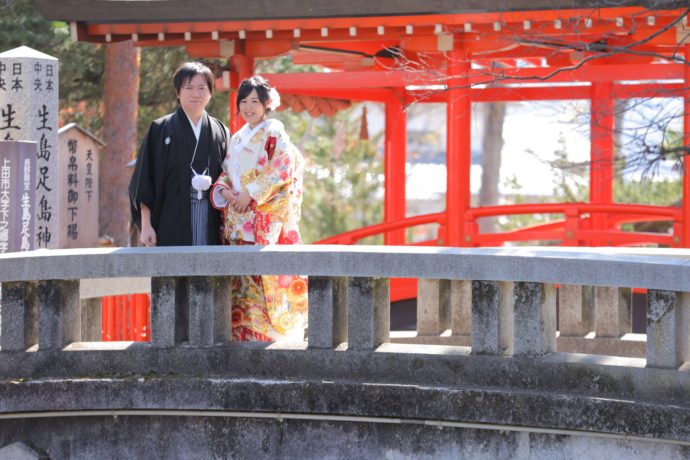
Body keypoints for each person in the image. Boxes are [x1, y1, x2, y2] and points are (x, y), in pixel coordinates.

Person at [210, 75, 307, 342]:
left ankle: (266, 337)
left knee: (262, 279)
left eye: (255, 101)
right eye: (243, 101)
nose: (248, 107)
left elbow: (282, 168)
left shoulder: (274, 130)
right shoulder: (238, 137)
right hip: (237, 220)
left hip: (260, 219)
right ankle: (241, 335)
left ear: (267, 104)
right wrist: (226, 191)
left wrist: (250, 195)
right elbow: (227, 171)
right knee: (240, 283)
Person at [129, 62, 228, 247]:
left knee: (208, 272)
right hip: (170, 221)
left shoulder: (220, 131)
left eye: (201, 88)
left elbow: (230, 177)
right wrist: (146, 224)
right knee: (172, 273)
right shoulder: (160, 129)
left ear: (210, 92)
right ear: (177, 92)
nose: (195, 94)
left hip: (211, 221)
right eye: (188, 88)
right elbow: (144, 180)